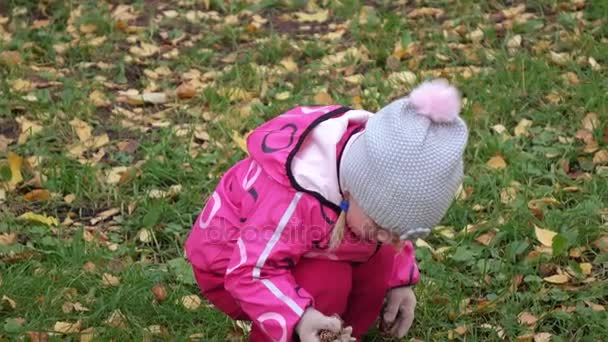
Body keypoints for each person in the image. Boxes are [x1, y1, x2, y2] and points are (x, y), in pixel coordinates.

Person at [184, 79, 469, 342]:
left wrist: (400, 281)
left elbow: (389, 225)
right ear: (352, 188)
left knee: (379, 257)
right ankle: (306, 330)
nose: (388, 238)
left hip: (314, 241)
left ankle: (342, 334)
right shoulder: (296, 195)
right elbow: (249, 271)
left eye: (401, 233)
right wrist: (299, 316)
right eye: (383, 225)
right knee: (327, 281)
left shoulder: (375, 185)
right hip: (234, 267)